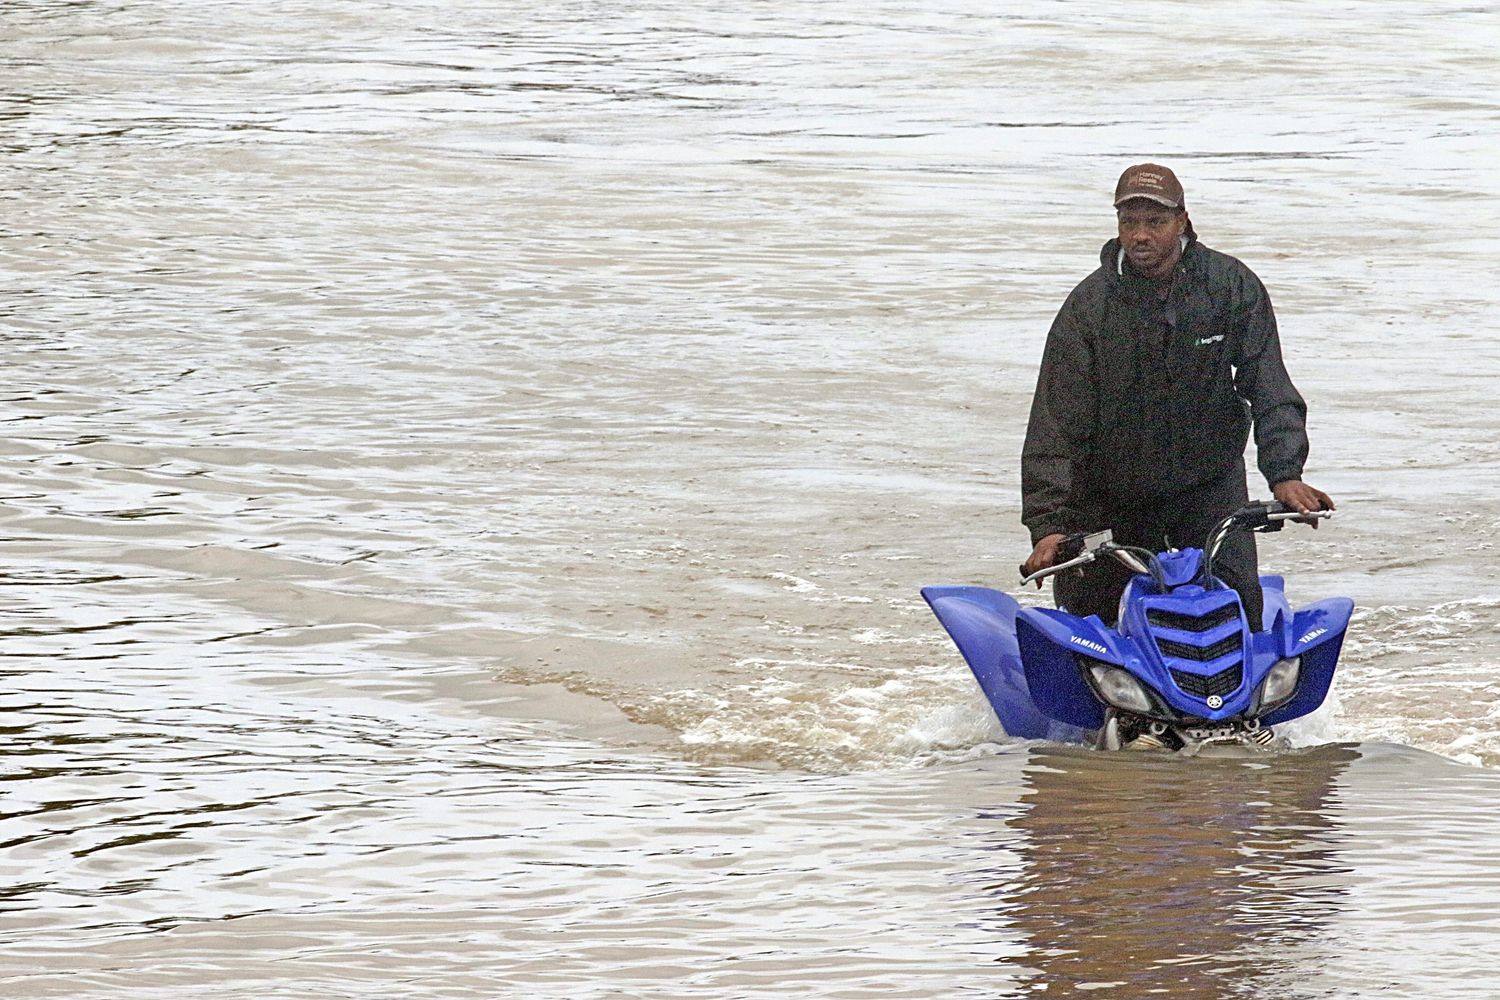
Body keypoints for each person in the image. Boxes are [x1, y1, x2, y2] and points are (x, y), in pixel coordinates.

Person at [1020, 163, 1334, 627]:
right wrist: (1049, 526)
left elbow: (1268, 384)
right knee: (1092, 620)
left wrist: (1285, 473)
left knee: (1240, 608)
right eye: (1129, 222)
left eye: (1155, 222)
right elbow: (1055, 425)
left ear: (1182, 221)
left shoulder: (1229, 286)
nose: (1140, 235)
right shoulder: (1088, 307)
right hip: (1110, 494)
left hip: (1207, 485)